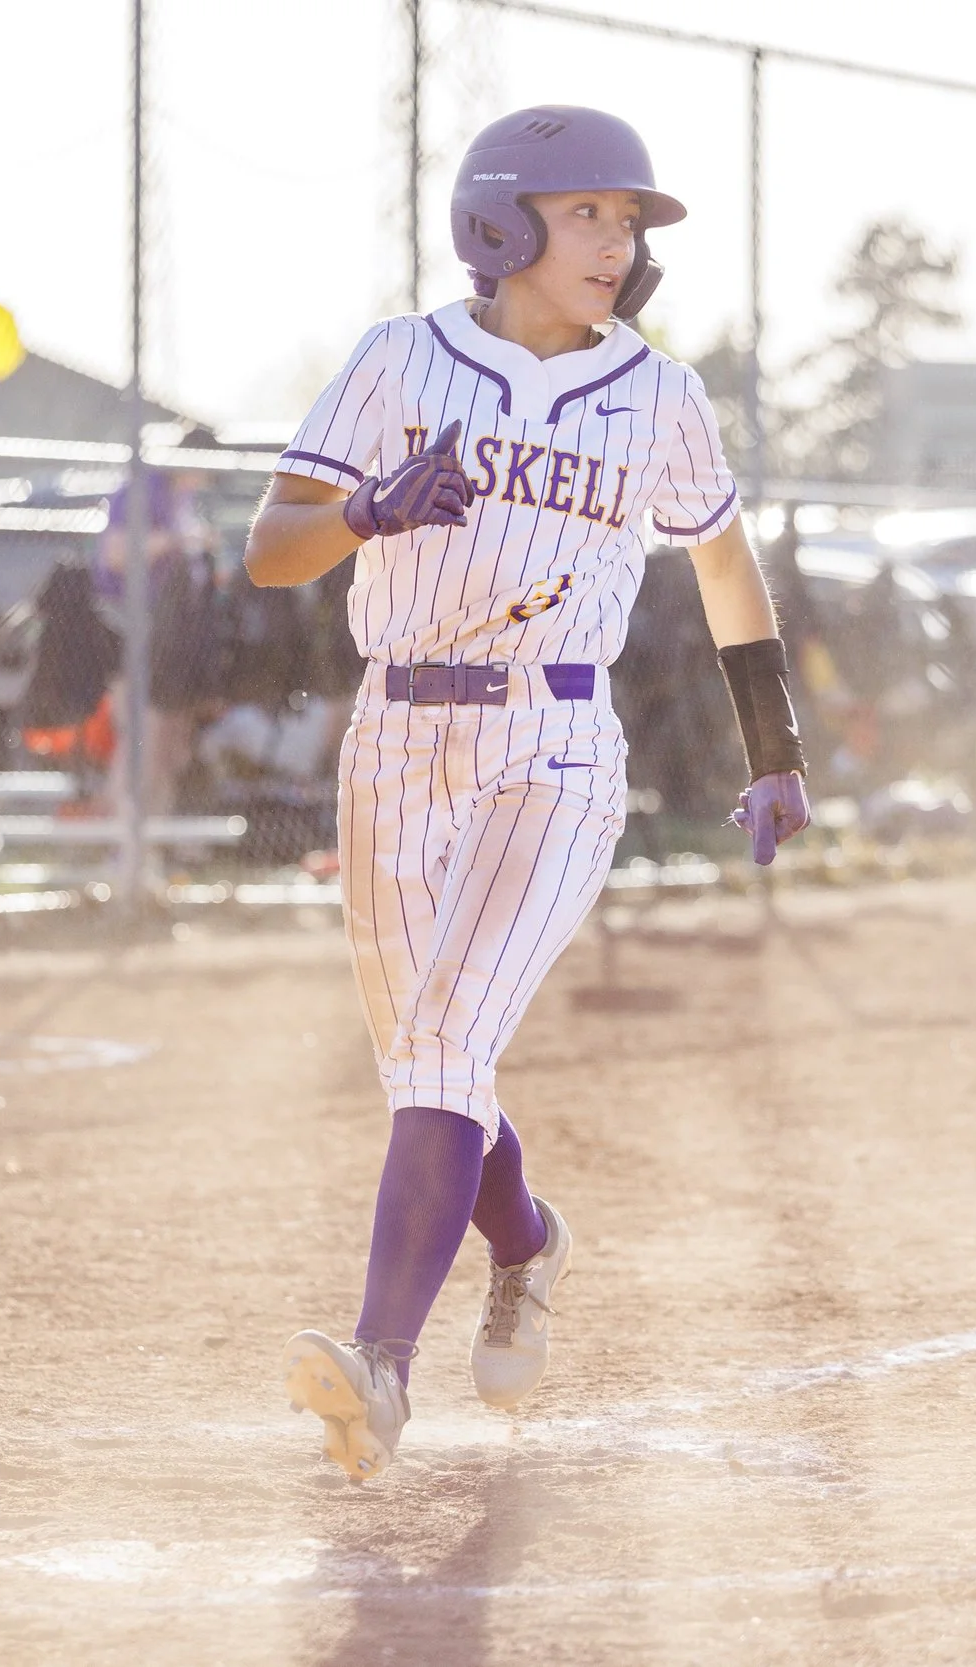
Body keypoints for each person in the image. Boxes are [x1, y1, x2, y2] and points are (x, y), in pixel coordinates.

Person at [244, 105, 810, 1482]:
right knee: (436, 1062)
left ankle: (380, 1365)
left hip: (555, 746)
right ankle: (528, 1238)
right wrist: (369, 513)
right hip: (396, 736)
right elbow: (272, 553)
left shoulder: (658, 394)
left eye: (629, 220)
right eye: (589, 214)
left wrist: (772, 744)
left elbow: (725, 568)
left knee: (441, 1040)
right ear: (502, 224)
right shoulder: (397, 359)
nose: (617, 242)